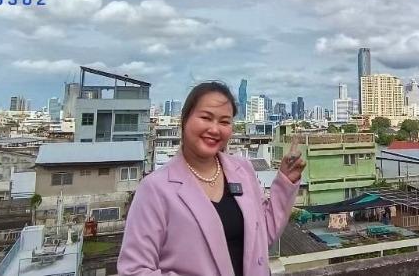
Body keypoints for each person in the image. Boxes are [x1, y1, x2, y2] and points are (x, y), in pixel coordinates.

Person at [118, 81, 306, 275]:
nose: (215, 129)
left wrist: (285, 181)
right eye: (206, 118)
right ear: (184, 120)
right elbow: (134, 270)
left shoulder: (243, 170)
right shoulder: (155, 188)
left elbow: (262, 236)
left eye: (224, 122)